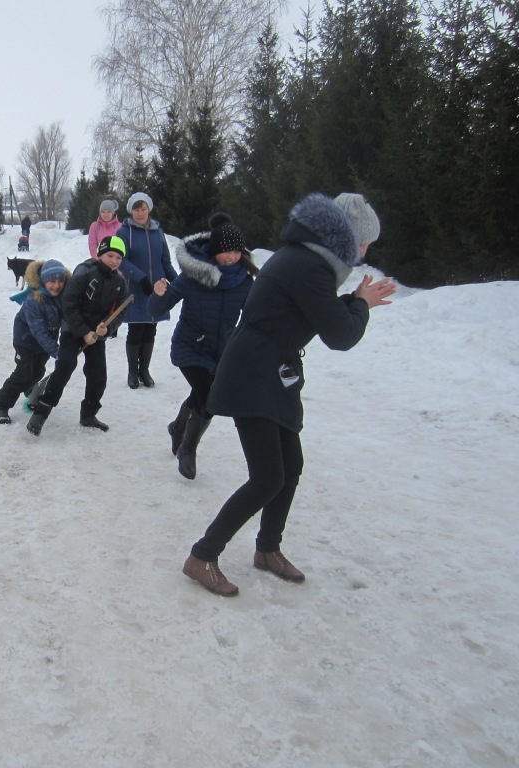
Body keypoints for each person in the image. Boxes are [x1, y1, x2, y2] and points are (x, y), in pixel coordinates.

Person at [182, 192, 395, 597]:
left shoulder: (305, 257)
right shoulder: (310, 266)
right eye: (365, 242)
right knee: (267, 478)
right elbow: (340, 334)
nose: (366, 251)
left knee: (289, 466)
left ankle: (267, 549)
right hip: (253, 374)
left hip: (269, 371)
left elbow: (319, 312)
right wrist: (361, 305)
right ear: (347, 237)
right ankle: (202, 556)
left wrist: (354, 301)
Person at [147, 213, 258, 480]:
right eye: (224, 252)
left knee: (202, 395)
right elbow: (157, 308)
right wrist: (158, 294)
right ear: (213, 251)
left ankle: (178, 426)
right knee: (209, 396)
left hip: (221, 352)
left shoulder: (244, 281)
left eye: (235, 251)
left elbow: (254, 316)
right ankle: (188, 449)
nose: (230, 257)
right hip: (190, 348)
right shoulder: (194, 275)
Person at [27, 237, 130, 436]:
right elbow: (69, 304)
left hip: (97, 332)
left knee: (98, 375)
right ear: (100, 254)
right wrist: (84, 332)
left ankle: (89, 414)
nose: (114, 261)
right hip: (73, 328)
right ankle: (41, 412)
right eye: (110, 255)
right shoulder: (85, 272)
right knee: (65, 365)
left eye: (118, 257)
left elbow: (120, 311)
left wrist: (106, 329)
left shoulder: (119, 282)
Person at [0, 259, 69, 425]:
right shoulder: (34, 300)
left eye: (60, 281)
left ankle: (31, 392)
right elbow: (39, 331)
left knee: (37, 372)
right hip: (25, 341)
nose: (56, 285)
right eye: (51, 281)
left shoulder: (62, 297)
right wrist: (57, 352)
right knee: (23, 373)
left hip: (44, 344)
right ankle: (1, 405)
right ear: (42, 280)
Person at [118, 192, 178, 389]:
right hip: (137, 287)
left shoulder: (158, 232)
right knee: (136, 329)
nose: (140, 213)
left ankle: (145, 370)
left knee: (151, 330)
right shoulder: (124, 232)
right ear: (131, 211)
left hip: (157, 289)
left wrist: (178, 283)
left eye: (143, 209)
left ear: (149, 209)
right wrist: (140, 277)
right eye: (136, 209)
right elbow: (122, 260)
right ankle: (132, 373)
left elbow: (165, 261)